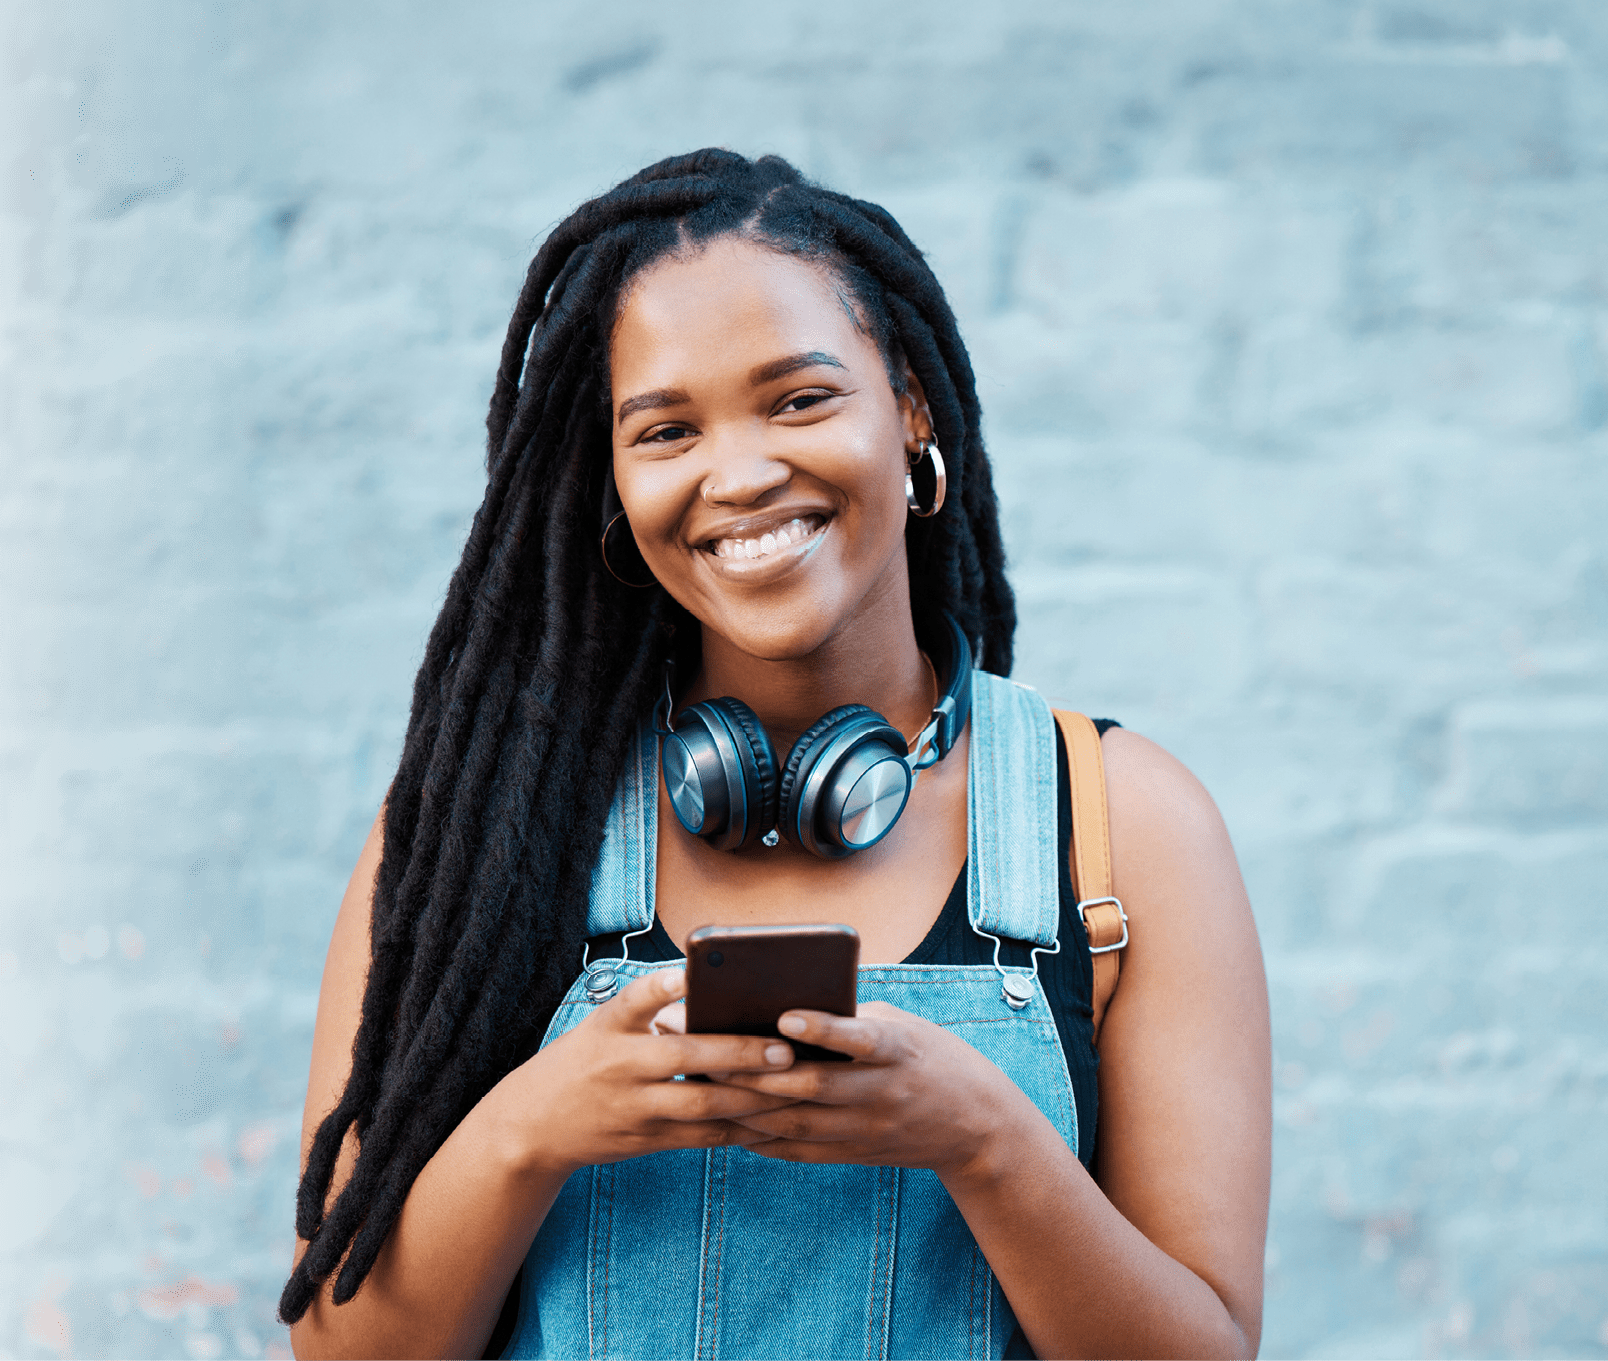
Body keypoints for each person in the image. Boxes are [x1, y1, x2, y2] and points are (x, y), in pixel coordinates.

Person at [280, 149, 1270, 1360]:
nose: (739, 473)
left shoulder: (1126, 827)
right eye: (665, 429)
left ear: (910, 405)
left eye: (799, 399)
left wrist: (982, 1139)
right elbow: (341, 1354)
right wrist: (533, 1126)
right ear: (613, 478)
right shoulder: (475, 837)